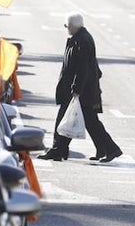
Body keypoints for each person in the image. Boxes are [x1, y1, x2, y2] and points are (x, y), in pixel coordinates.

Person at [41, 12, 123, 163]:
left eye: (67, 26)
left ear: (72, 26)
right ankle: (60, 150)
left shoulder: (82, 40)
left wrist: (76, 89)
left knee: (70, 120)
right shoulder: (78, 39)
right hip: (80, 90)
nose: (66, 28)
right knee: (83, 121)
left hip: (80, 92)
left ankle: (110, 149)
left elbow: (83, 68)